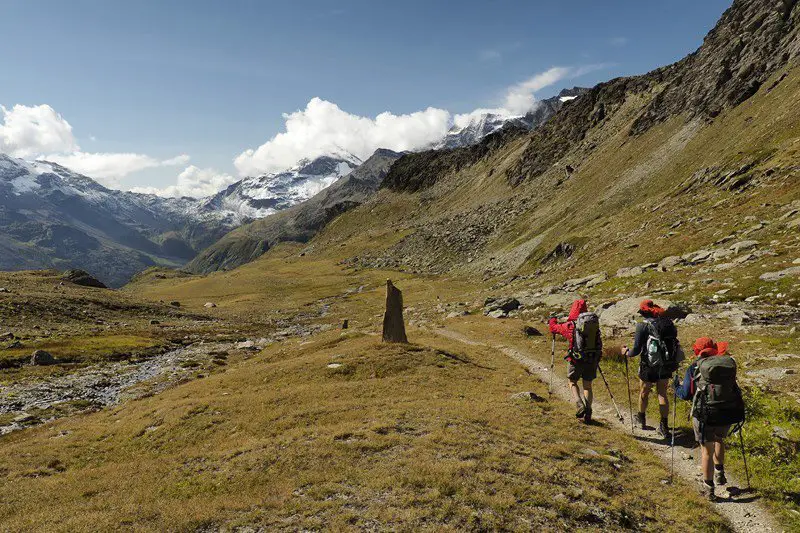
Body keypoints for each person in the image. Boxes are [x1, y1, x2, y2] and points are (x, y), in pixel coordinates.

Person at [674, 337, 742, 501]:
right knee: (720, 439)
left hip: (704, 414)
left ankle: (709, 489)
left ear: (698, 351)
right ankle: (720, 474)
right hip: (726, 412)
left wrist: (675, 386)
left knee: (706, 451)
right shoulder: (726, 365)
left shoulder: (694, 368)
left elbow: (685, 394)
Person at [622, 299, 680, 440]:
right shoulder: (668, 324)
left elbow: (636, 350)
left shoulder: (642, 326)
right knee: (662, 394)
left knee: (644, 391)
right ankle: (664, 427)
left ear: (643, 312)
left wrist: (626, 352)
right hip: (665, 365)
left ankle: (641, 419)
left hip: (649, 365)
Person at [548, 299, 602, 423]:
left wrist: (552, 319)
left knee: (572, 381)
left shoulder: (570, 325)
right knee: (587, 386)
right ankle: (588, 411)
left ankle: (579, 404)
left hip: (576, 360)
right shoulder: (593, 324)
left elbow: (553, 328)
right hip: (591, 359)